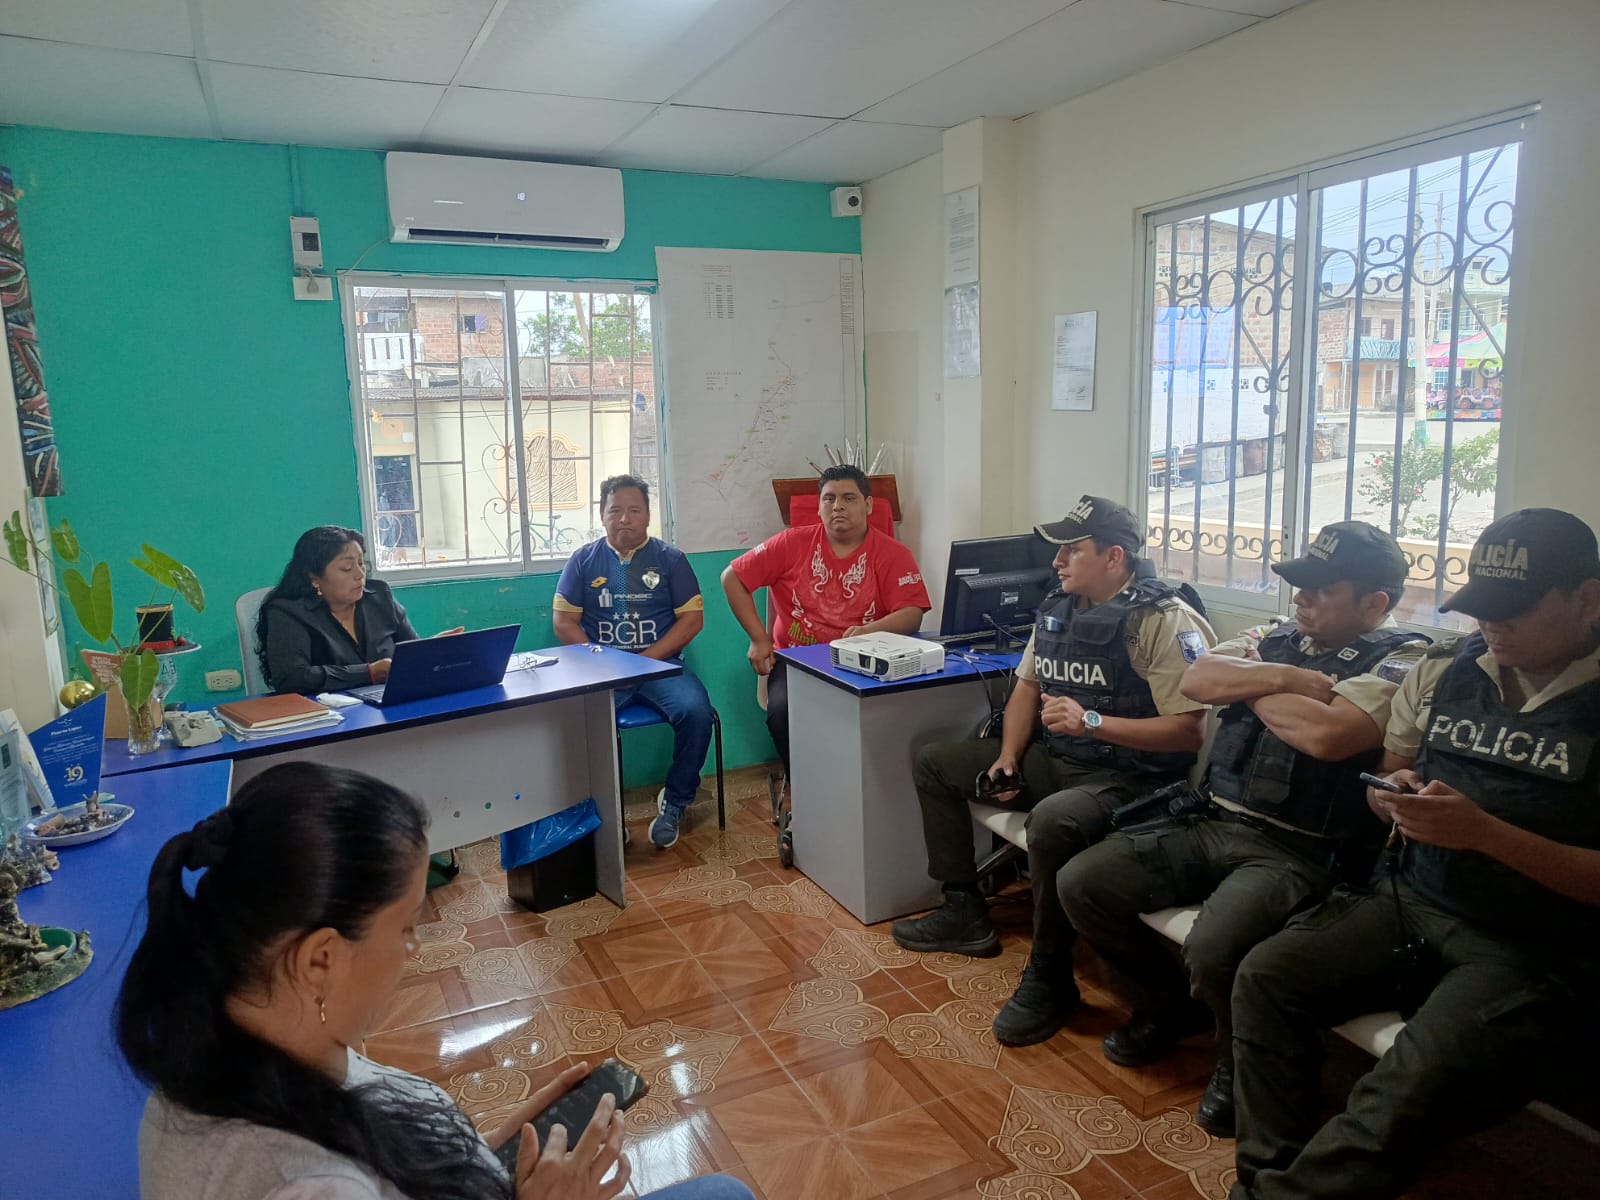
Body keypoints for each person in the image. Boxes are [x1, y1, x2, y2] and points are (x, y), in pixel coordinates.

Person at [117, 760, 754, 1200]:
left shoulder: (241, 1050)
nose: (415, 948)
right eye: (404, 927)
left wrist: (484, 1158)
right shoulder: (309, 1184)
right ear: (319, 960)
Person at [1228, 508, 1600, 1200]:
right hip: (1414, 898)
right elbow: (1393, 771)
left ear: (1588, 599)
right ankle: (1264, 1172)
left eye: (1515, 609)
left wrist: (1486, 834)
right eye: (1483, 606)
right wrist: (1393, 796)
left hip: (1530, 946)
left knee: (1411, 1077)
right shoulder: (1448, 669)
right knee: (1266, 975)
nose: (1492, 624)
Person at [1059, 521, 1429, 1136]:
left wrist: (1249, 685)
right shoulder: (1277, 636)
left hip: (1296, 850)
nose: (1300, 598)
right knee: (1084, 883)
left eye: (1321, 589)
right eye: (1300, 585)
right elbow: (1198, 679)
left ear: (1375, 604)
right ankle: (1167, 1005)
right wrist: (1285, 679)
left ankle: (1238, 1061)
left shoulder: (1405, 659)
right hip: (1211, 817)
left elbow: (1328, 735)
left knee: (1213, 948)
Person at [892, 495, 1215, 1047]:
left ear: (1114, 557)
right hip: (1061, 760)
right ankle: (964, 908)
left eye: (1073, 550)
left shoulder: (1161, 619)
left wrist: (1093, 722)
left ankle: (1050, 974)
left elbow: (1189, 732)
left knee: (1052, 821)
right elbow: (1027, 687)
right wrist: (1008, 756)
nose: (1057, 561)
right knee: (935, 763)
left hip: (1131, 779)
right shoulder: (1059, 608)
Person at [721, 464, 931, 785]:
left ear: (868, 505)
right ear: (819, 507)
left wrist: (867, 632)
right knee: (782, 713)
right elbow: (732, 578)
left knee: (884, 717)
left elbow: (912, 612)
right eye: (829, 499)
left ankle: (860, 790)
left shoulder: (892, 553)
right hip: (797, 662)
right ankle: (804, 790)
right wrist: (758, 638)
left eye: (849, 498)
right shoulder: (791, 543)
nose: (838, 506)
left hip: (864, 662)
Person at [554, 474, 712, 850]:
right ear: (602, 515)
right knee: (579, 724)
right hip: (602, 672)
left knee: (697, 713)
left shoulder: (671, 560)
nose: (624, 519)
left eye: (634, 510)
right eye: (615, 511)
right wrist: (602, 660)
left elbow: (692, 620)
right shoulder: (583, 560)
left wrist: (643, 662)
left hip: (660, 667)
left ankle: (676, 802)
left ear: (647, 516)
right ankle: (605, 814)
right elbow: (563, 622)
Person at [258, 526, 439, 695]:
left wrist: (434, 649)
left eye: (361, 564)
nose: (360, 574)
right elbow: (292, 678)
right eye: (347, 568)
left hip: (389, 701)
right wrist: (368, 673)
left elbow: (410, 654)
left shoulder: (379, 596)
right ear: (314, 578)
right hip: (327, 711)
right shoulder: (288, 612)